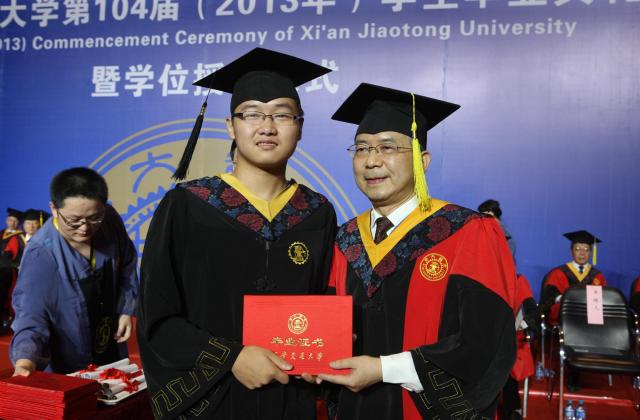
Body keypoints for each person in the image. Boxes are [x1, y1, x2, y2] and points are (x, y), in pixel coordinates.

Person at [136, 48, 337, 419]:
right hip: (212, 402)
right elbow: (157, 319)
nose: (267, 127)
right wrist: (231, 357)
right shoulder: (187, 205)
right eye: (252, 114)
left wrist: (328, 348)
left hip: (290, 401)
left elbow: (325, 303)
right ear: (231, 126)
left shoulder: (316, 212)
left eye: (282, 114)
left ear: (300, 126)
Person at [319, 83, 517, 419]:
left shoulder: (466, 232)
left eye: (387, 147)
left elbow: (487, 342)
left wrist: (384, 369)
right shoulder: (345, 240)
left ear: (422, 161)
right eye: (362, 148)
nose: (372, 161)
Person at [10, 167, 138, 375]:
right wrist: (25, 361)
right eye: (74, 220)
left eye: (94, 218)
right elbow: (30, 314)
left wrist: (125, 308)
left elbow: (128, 262)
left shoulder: (109, 219)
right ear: (54, 209)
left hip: (110, 343)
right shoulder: (41, 253)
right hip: (72, 359)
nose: (85, 228)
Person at [539, 230, 606, 325]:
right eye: (577, 249)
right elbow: (548, 298)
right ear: (571, 251)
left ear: (591, 253)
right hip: (563, 322)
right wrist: (560, 298)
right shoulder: (558, 273)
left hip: (591, 324)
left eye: (586, 250)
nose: (582, 253)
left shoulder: (598, 276)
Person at [0, 208, 25, 330]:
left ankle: (5, 319)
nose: (12, 223)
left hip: (9, 271)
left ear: (19, 223)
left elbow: (20, 255)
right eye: (10, 220)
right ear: (6, 220)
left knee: (5, 294)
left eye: (15, 221)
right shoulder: (1, 233)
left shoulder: (20, 237)